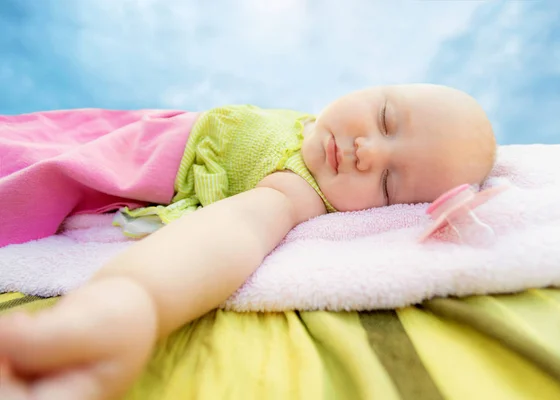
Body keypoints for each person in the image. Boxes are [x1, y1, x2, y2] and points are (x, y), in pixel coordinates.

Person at [0, 84, 497, 400]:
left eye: (389, 182)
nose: (368, 151)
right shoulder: (310, 128)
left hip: (131, 154)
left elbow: (234, 230)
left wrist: (134, 302)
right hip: (133, 122)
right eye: (386, 118)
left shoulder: (297, 189)